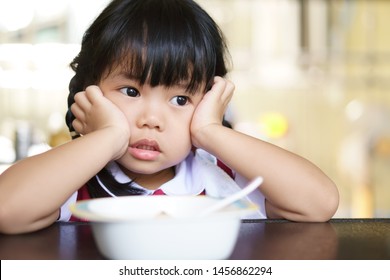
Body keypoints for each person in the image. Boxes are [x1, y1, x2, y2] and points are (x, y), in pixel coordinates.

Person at [0, 0, 339, 234]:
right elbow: (7, 210)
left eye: (180, 99)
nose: (152, 119)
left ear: (208, 100)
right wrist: (108, 136)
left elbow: (319, 203)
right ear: (90, 93)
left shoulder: (224, 180)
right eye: (131, 92)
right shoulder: (71, 181)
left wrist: (211, 130)